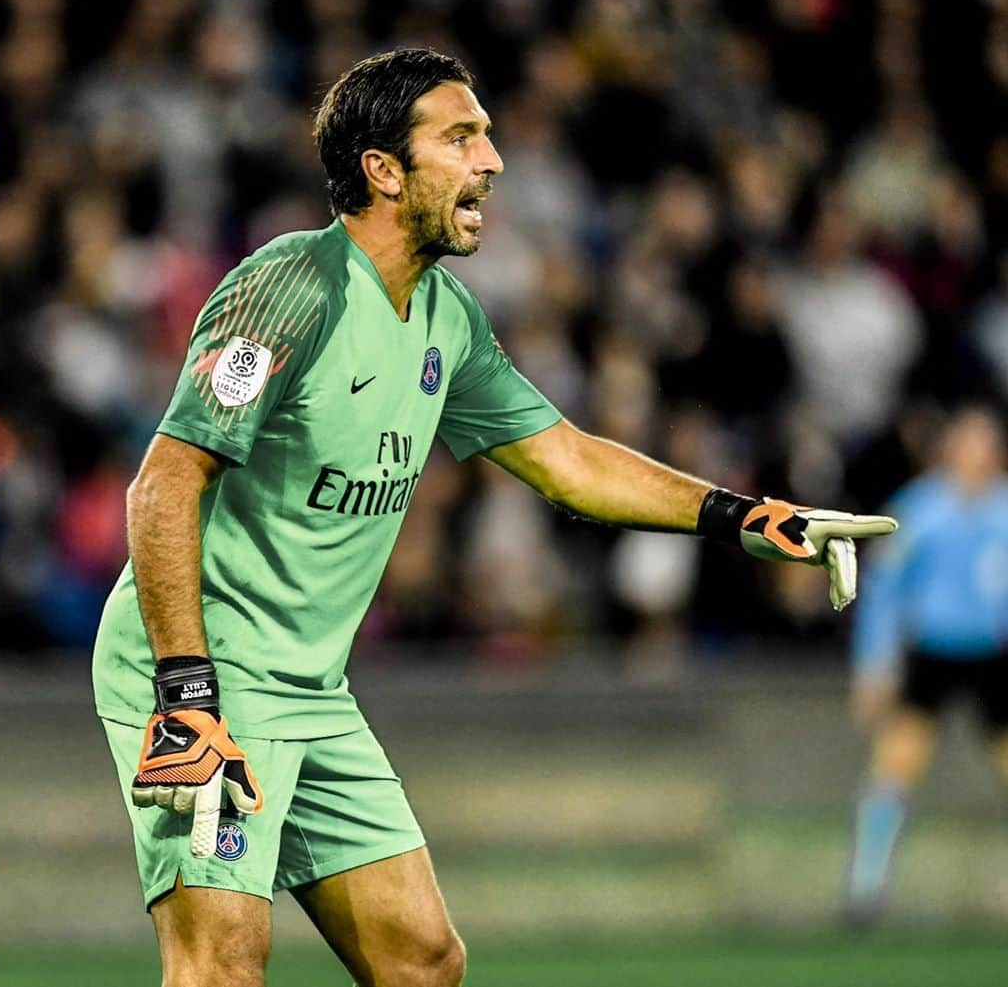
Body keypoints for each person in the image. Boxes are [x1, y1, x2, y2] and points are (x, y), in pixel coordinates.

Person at [93, 49, 897, 987]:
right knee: (223, 965)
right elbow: (161, 486)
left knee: (424, 962)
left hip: (312, 688)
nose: (494, 160)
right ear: (384, 171)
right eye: (461, 136)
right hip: (203, 677)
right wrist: (186, 693)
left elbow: (566, 460)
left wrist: (749, 516)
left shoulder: (447, 318)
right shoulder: (294, 286)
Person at [844, 405, 1008, 925]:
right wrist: (874, 666)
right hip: (932, 653)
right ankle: (864, 888)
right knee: (895, 767)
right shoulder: (919, 510)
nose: (981, 454)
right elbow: (884, 592)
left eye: (989, 443)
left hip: (994, 656)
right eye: (971, 442)